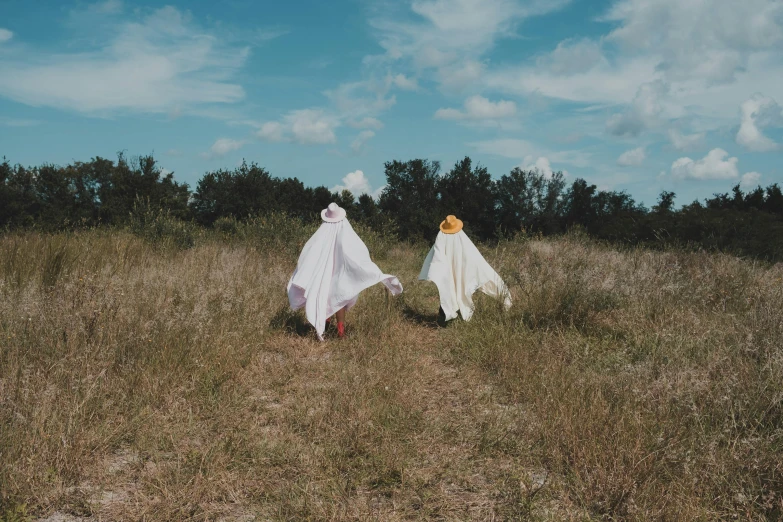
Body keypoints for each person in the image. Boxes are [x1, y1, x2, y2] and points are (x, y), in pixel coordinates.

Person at [287, 202, 403, 340]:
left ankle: (326, 323)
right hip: (339, 273)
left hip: (323, 272)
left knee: (324, 293)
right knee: (338, 297)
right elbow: (357, 252)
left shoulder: (320, 235)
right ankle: (340, 331)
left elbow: (308, 254)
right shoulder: (346, 232)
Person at [419, 215, 512, 322]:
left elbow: (437, 254)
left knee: (449, 287)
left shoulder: (443, 237)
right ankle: (447, 314)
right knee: (458, 287)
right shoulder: (459, 238)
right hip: (458, 268)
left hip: (449, 268)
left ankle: (446, 314)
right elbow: (471, 255)